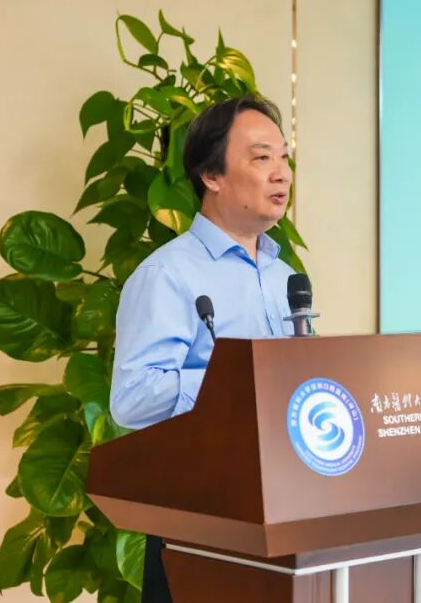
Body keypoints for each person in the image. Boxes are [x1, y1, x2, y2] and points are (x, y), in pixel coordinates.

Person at [109, 95, 297, 602]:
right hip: (198, 521)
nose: (281, 173)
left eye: (284, 157)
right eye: (262, 158)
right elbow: (132, 397)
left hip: (282, 511)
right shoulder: (167, 275)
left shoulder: (285, 277)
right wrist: (232, 383)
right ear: (211, 175)